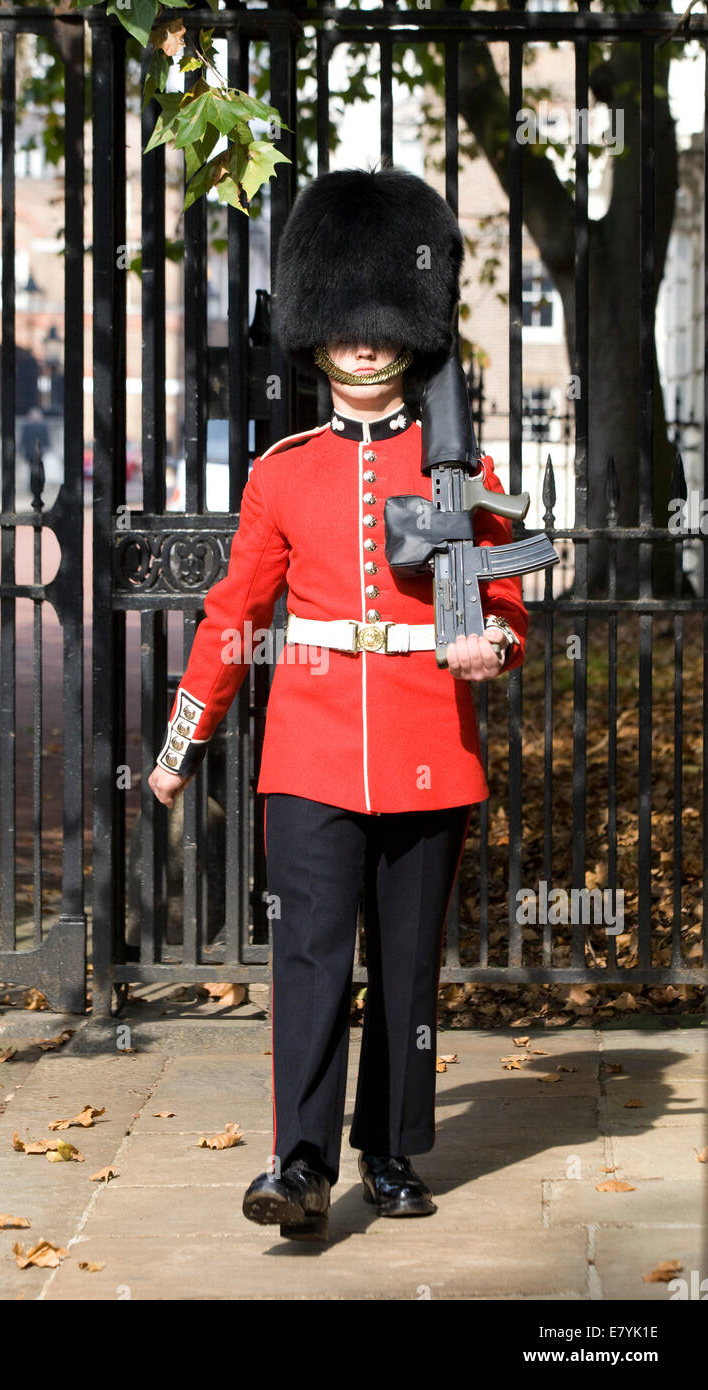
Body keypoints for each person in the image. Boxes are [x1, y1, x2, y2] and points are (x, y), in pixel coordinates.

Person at [147, 168, 529, 1242]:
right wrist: (186, 734)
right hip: (308, 751)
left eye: (380, 327)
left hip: (425, 741)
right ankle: (300, 1160)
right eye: (343, 328)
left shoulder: (461, 466)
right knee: (310, 956)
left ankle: (391, 1149)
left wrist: (487, 646)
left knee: (404, 966)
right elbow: (235, 613)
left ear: (408, 331)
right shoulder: (283, 471)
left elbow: (504, 605)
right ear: (315, 333)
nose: (362, 347)